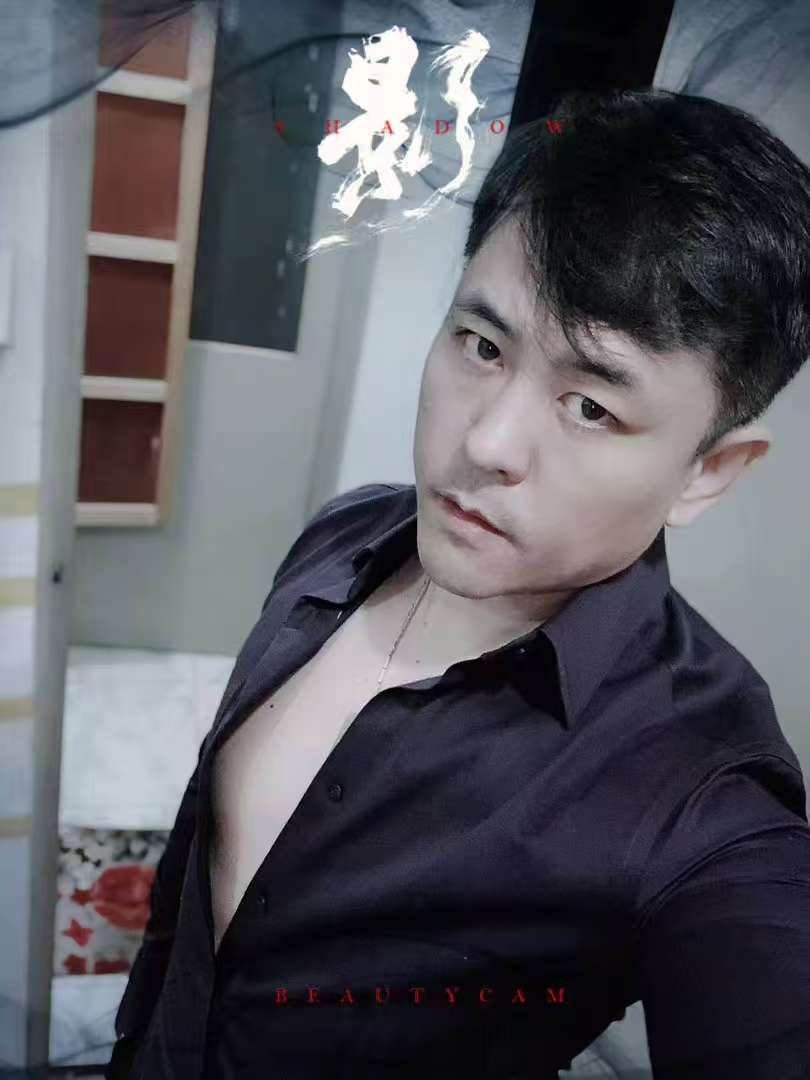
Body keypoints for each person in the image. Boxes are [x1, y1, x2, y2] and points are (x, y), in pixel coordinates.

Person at [105, 87, 810, 1080]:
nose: (486, 444)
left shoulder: (700, 796)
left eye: (592, 407)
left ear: (708, 471)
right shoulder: (348, 533)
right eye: (482, 347)